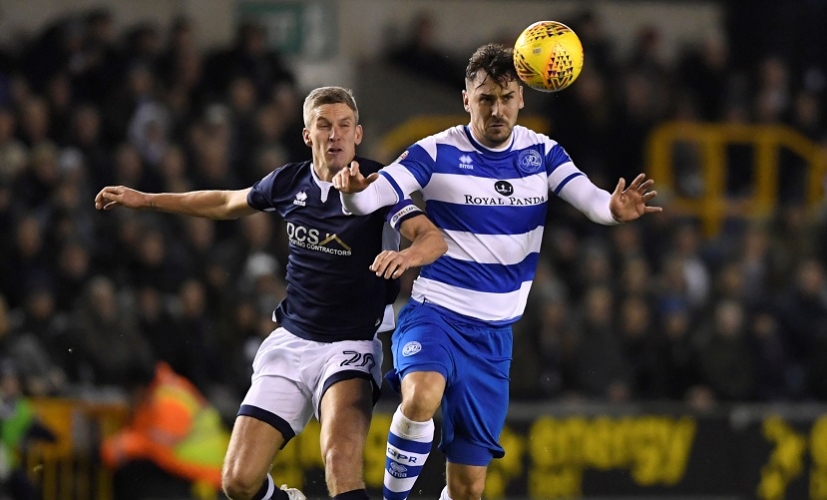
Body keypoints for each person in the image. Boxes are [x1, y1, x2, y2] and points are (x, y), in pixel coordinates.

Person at [333, 43, 662, 500]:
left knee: (468, 489)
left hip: (493, 338)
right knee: (421, 395)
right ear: (466, 99)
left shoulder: (542, 154)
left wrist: (613, 208)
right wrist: (352, 193)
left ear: (521, 98)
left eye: (506, 98)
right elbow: (375, 195)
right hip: (437, 313)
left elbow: (590, 199)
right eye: (486, 98)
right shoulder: (436, 150)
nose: (497, 109)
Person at [94, 86, 447, 500]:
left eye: (344, 125)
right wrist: (147, 200)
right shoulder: (289, 182)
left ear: (358, 134)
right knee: (238, 482)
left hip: (350, 346)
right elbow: (226, 202)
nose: (334, 135)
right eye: (324, 125)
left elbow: (432, 238)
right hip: (291, 343)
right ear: (307, 135)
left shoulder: (378, 186)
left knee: (340, 467)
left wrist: (406, 257)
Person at [100, 361, 230, 500]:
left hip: (205, 477)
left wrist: (126, 445)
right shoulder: (157, 393)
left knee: (139, 475)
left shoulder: (169, 399)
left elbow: (160, 445)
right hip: (191, 472)